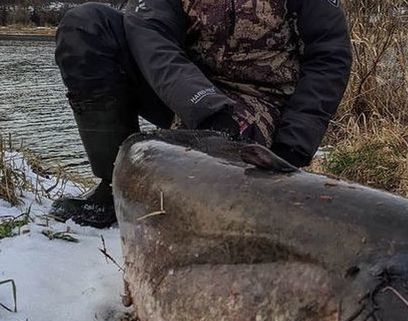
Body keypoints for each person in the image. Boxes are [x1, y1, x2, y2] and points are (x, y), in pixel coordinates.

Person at [50, 0, 352, 228]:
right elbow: (150, 31)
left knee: (204, 194)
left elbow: (329, 56)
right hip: (185, 90)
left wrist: (292, 147)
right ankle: (115, 187)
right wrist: (202, 105)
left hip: (261, 99)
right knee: (85, 25)